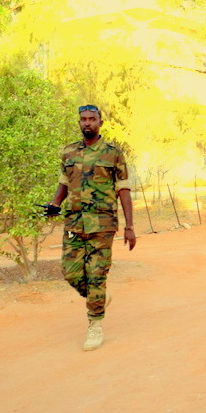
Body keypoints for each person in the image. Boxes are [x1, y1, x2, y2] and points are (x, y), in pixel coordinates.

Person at [45, 104, 136, 351]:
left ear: (100, 123)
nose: (87, 123)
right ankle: (100, 298)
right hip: (74, 222)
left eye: (92, 119)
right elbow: (64, 182)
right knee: (71, 272)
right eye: (83, 119)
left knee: (96, 274)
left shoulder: (113, 153)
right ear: (79, 122)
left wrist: (129, 226)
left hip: (102, 224)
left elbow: (123, 189)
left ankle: (95, 325)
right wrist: (55, 204)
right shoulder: (69, 152)